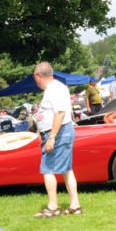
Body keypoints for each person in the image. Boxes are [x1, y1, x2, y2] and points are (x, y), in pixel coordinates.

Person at [32, 62, 81, 218]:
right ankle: (75, 205)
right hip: (60, 132)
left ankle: (53, 207)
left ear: (39, 75)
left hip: (58, 133)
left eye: (35, 78)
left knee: (47, 169)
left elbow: (59, 113)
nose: (36, 81)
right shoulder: (55, 88)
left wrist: (51, 137)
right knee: (67, 170)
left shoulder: (55, 89)